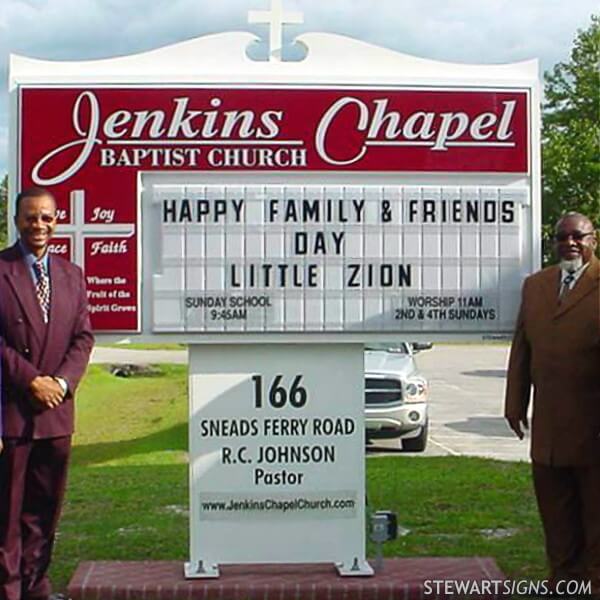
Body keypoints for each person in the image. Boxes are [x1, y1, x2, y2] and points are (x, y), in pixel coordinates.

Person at [0, 187, 94, 600]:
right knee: (7, 515)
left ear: (56, 221)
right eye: (30, 217)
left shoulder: (72, 275)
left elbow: (83, 337)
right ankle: (9, 591)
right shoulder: (0, 270)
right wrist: (30, 380)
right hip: (13, 414)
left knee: (45, 512)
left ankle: (36, 585)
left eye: (46, 218)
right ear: (16, 220)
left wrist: (60, 383)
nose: (38, 225)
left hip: (56, 415)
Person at [505, 212, 599, 596]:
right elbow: (521, 349)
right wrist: (515, 404)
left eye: (578, 236)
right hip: (548, 433)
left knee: (596, 523)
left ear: (594, 239)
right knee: (557, 522)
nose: (569, 243)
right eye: (562, 237)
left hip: (594, 432)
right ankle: (564, 584)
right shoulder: (536, 286)